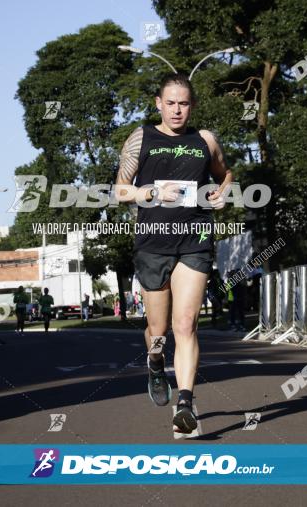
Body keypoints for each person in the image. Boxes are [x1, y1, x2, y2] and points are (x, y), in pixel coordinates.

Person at [114, 72, 232, 433]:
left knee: (186, 324)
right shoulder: (141, 138)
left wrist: (222, 192)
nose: (177, 110)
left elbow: (225, 174)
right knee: (159, 330)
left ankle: (185, 405)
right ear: (158, 104)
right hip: (153, 242)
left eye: (184, 103)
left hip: (194, 239)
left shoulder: (205, 140)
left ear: (191, 106)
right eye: (171, 103)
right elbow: (119, 190)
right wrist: (146, 193)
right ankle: (154, 361)